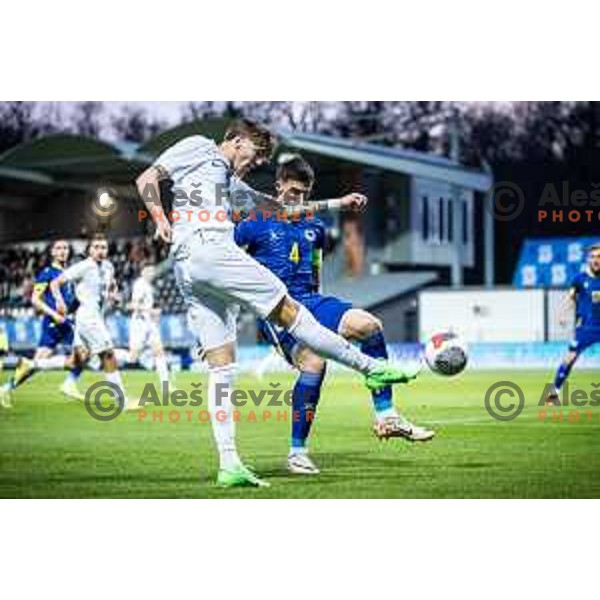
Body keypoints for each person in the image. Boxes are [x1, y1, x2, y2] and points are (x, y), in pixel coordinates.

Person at [135, 118, 419, 488]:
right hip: (208, 248)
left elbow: (282, 209)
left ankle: (229, 464)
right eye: (255, 154)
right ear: (236, 140)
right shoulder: (200, 146)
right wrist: (159, 217)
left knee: (222, 369)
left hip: (189, 268)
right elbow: (147, 179)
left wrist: (339, 203)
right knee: (291, 311)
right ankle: (370, 367)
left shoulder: (230, 184)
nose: (257, 163)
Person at [235, 154, 433, 475]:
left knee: (370, 325)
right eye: (293, 191)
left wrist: (323, 310)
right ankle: (297, 453)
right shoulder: (256, 220)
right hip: (276, 309)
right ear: (278, 186)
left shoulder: (315, 226)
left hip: (311, 300)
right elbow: (227, 261)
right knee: (315, 361)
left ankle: (387, 415)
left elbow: (314, 272)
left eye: (304, 193)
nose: (298, 198)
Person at [49, 234, 138, 412]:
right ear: (90, 249)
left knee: (79, 359)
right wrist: (59, 302)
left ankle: (40, 368)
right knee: (108, 354)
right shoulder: (83, 267)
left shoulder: (108, 267)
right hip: (87, 317)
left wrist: (114, 295)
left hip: (97, 317)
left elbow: (111, 285)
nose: (100, 250)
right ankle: (120, 400)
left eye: (103, 247)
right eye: (96, 247)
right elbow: (55, 283)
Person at [0, 240, 84, 407]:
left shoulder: (69, 273)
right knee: (37, 364)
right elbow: (35, 299)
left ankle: (70, 384)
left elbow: (71, 300)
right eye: (58, 248)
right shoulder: (47, 273)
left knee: (83, 352)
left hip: (68, 323)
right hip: (52, 323)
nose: (62, 251)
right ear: (52, 252)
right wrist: (54, 314)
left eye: (65, 248)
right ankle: (6, 388)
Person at [549, 243, 600, 403]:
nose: (596, 260)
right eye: (592, 257)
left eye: (599, 257)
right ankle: (553, 393)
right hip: (586, 327)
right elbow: (570, 298)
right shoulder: (580, 279)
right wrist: (562, 315)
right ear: (588, 259)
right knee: (570, 357)